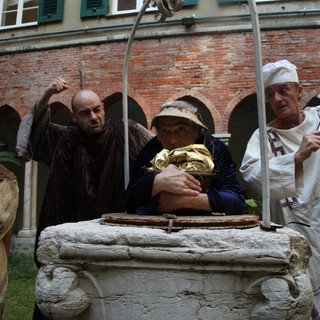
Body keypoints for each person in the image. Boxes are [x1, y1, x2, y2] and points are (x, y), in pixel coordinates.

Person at [16, 77, 153, 320]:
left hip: (118, 226)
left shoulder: (127, 130)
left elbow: (161, 149)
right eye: (85, 113)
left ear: (103, 108)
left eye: (97, 109)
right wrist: (48, 93)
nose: (93, 116)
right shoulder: (65, 139)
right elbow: (34, 132)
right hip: (74, 224)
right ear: (74, 117)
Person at [240, 59, 320, 319]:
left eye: (284, 90)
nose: (277, 98)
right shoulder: (263, 135)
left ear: (299, 91)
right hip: (291, 229)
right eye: (270, 94)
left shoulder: (318, 122)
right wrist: (295, 158)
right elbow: (251, 176)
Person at [124, 100, 245, 215]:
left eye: (181, 130)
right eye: (165, 131)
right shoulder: (151, 150)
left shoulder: (214, 148)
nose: (172, 140)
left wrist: (186, 201)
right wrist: (157, 182)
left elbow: (236, 200)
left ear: (196, 131)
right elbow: (128, 200)